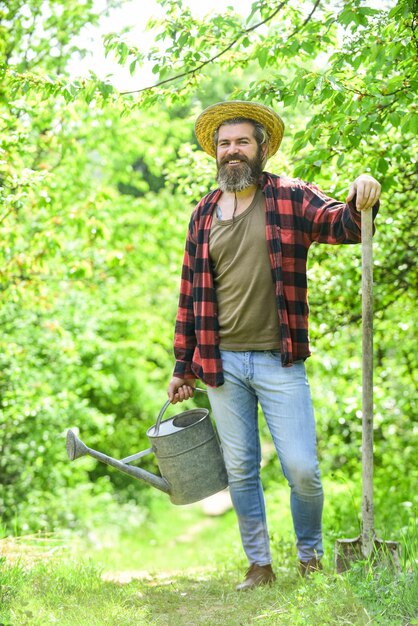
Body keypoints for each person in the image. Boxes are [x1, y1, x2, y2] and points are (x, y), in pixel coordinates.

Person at [167, 100, 380, 591]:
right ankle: (259, 565)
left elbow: (343, 225)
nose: (232, 151)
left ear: (261, 148)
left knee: (303, 468)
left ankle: (310, 556)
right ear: (215, 154)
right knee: (241, 469)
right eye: (224, 144)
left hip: (279, 360)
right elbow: (188, 296)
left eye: (242, 141)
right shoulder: (203, 214)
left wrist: (361, 193)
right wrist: (184, 365)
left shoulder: (288, 197)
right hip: (220, 365)